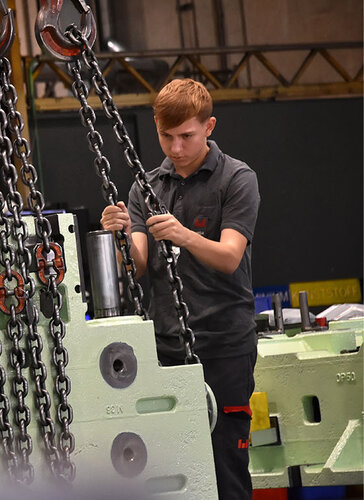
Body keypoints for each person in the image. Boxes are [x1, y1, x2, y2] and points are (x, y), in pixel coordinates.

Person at [100, 78, 260, 499]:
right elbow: (134, 264)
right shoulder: (144, 187)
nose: (175, 148)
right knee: (171, 473)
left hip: (224, 347)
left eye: (186, 136)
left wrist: (182, 235)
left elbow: (229, 256)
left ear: (209, 126)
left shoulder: (237, 179)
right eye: (165, 136)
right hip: (166, 348)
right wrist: (116, 235)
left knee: (226, 466)